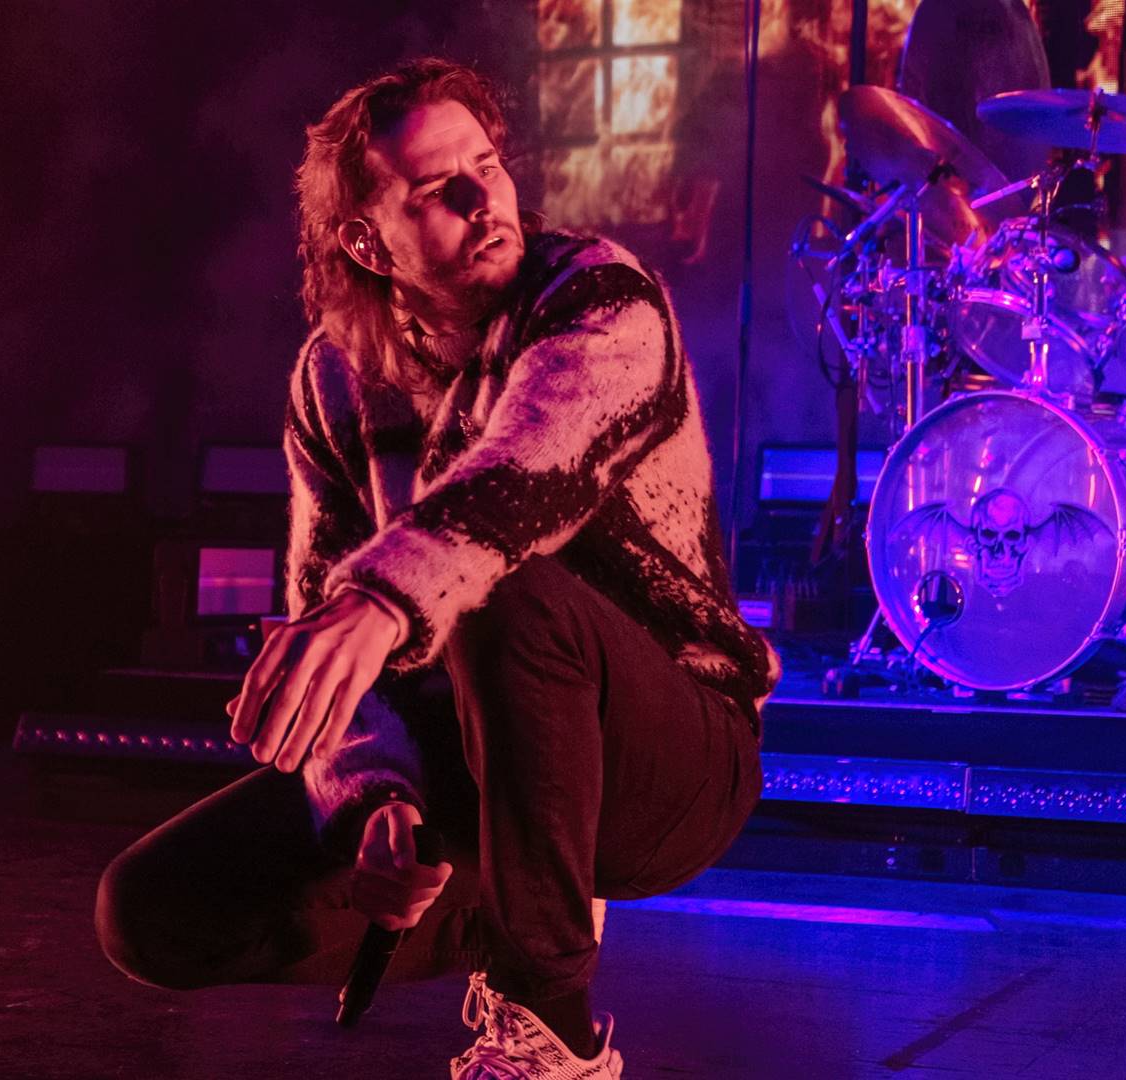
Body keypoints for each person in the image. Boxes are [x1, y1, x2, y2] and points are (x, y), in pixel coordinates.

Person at [95, 58, 777, 1079]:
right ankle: (499, 902)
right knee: (150, 909)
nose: (482, 199)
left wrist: (380, 599)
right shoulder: (331, 377)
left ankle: (551, 1033)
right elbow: (328, 631)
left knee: (510, 597)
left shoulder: (599, 298)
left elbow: (522, 481)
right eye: (433, 189)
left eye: (487, 165)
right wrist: (376, 799)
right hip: (474, 758)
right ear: (366, 241)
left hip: (673, 760)